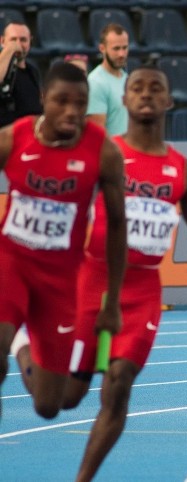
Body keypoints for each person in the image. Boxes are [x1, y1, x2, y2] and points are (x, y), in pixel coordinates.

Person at [59, 65, 187, 482]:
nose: (146, 94)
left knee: (119, 382)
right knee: (67, 397)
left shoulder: (184, 171)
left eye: (156, 89)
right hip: (90, 280)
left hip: (142, 290)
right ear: (124, 100)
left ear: (168, 102)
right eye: (137, 88)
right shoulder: (102, 153)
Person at [0, 62, 126, 421]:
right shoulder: (13, 138)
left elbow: (117, 225)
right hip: (10, 262)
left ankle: (23, 346)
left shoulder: (104, 153)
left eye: (80, 103)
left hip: (61, 278)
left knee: (50, 404)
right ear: (43, 99)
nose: (72, 111)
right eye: (61, 101)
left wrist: (112, 301)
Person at [87, 23, 129, 136]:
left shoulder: (127, 79)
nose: (121, 54)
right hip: (113, 153)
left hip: (130, 152)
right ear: (102, 48)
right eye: (116, 48)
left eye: (124, 48)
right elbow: (97, 136)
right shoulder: (95, 83)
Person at [0, 22, 41, 128]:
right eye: (13, 39)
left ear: (30, 42)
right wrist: (10, 49)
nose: (18, 44)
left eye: (23, 40)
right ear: (2, 41)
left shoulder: (32, 71)